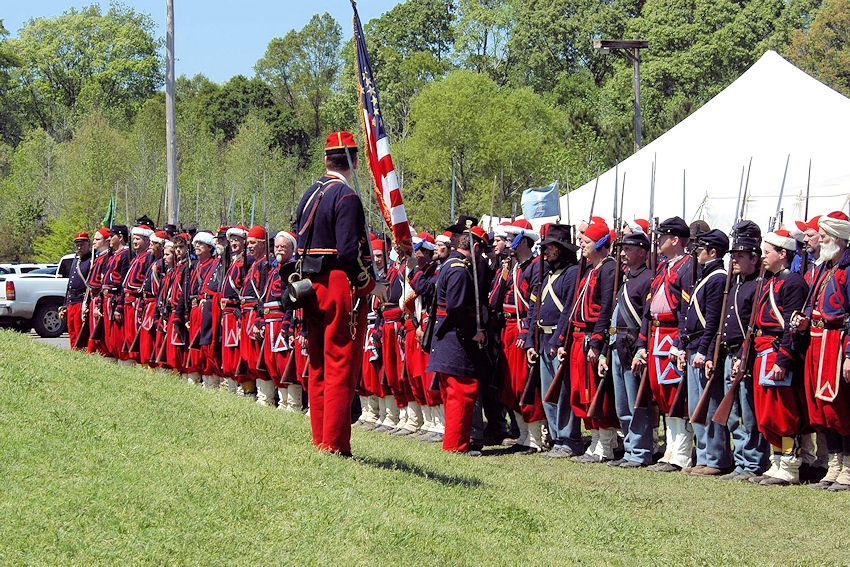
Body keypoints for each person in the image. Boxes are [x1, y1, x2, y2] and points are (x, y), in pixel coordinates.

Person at [294, 131, 381, 456]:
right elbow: (347, 253)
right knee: (341, 365)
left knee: (317, 365)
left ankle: (321, 438)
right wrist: (369, 284)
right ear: (354, 161)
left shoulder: (310, 193)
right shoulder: (345, 197)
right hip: (335, 285)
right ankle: (335, 443)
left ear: (326, 159)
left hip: (309, 287)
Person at [744, 229, 808, 485]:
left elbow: (791, 325)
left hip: (777, 352)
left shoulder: (793, 282)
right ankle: (777, 460)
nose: (763, 257)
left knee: (783, 413)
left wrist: (783, 359)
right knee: (767, 413)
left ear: (783, 254)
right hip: (763, 351)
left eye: (768, 252)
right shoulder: (769, 281)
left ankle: (790, 464)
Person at [632, 216, 695, 473]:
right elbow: (649, 309)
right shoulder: (663, 267)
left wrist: (679, 342)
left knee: (675, 396)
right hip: (657, 334)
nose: (657, 241)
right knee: (662, 395)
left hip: (671, 336)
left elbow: (686, 310)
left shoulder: (686, 267)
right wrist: (643, 344)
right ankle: (670, 448)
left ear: (675, 240)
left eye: (662, 237)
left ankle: (681, 452)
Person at [793, 214, 850, 490]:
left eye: (825, 234)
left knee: (842, 407)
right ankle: (834, 466)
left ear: (837, 237)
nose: (821, 237)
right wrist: (804, 320)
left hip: (837, 341)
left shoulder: (847, 269)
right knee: (824, 408)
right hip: (818, 340)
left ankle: (847, 469)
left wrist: (849, 354)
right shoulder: (827, 267)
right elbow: (813, 304)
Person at [558, 218, 618, 462]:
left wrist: (596, 342)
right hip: (577, 338)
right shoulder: (590, 268)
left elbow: (605, 308)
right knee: (581, 393)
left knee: (597, 394)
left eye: (588, 241)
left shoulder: (608, 268)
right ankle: (594, 441)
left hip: (591, 337)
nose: (582, 245)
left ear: (601, 243)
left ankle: (605, 445)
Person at [715, 221, 770, 481]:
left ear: (754, 257)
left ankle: (753, 462)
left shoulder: (758, 285)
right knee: (734, 412)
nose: (734, 261)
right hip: (729, 353)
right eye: (733, 256)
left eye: (739, 256)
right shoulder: (735, 283)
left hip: (745, 354)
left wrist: (742, 356)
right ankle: (740, 461)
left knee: (749, 412)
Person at [426, 225, 487, 455]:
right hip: (456, 340)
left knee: (455, 394)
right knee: (461, 393)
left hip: (449, 339)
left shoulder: (449, 266)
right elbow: (456, 308)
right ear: (476, 246)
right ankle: (456, 445)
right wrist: (473, 332)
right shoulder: (459, 270)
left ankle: (456, 443)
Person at [524, 224, 582, 458]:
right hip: (543, 338)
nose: (545, 252)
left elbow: (568, 309)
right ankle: (557, 437)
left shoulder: (572, 273)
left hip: (558, 340)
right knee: (549, 393)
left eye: (550, 247)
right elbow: (534, 309)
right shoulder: (546, 274)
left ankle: (569, 440)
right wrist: (530, 341)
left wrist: (559, 341)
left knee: (562, 393)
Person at [681, 229, 732, 476]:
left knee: (709, 407)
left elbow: (713, 320)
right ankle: (703, 456)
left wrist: (704, 351)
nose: (696, 253)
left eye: (700, 249)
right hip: (694, 346)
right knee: (696, 408)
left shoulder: (718, 278)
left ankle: (715, 458)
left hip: (703, 348)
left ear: (713, 252)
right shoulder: (707, 276)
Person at [600, 230, 654, 467]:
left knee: (637, 402)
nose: (622, 254)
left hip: (632, 345)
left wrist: (641, 348)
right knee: (622, 404)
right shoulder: (625, 279)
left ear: (642, 252)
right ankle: (630, 448)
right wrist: (603, 349)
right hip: (616, 344)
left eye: (629, 249)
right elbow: (612, 317)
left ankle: (640, 451)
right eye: (622, 249)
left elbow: (646, 318)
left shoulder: (647, 279)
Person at [220, 225, 249, 393]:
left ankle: (243, 387)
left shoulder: (245, 262)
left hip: (235, 312)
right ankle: (231, 384)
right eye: (231, 240)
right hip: (227, 313)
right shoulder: (233, 261)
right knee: (229, 353)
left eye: (237, 240)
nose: (233, 243)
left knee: (237, 352)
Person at [122, 222, 154, 365]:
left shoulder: (147, 257)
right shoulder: (136, 258)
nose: (134, 242)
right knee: (129, 335)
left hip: (136, 301)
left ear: (147, 241)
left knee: (136, 334)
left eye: (138, 239)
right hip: (128, 301)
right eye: (134, 239)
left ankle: (139, 362)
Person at [101, 225, 132, 361]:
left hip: (115, 298)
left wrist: (120, 305)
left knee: (117, 338)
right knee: (109, 338)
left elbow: (123, 282)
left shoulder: (125, 255)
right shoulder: (112, 255)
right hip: (106, 298)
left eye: (111, 236)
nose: (109, 239)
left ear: (120, 237)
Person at [138, 230, 168, 367]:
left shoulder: (162, 264)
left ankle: (154, 366)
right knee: (145, 340)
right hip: (148, 303)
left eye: (153, 244)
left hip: (154, 303)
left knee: (152, 338)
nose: (150, 246)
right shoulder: (154, 262)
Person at [61, 231, 92, 350]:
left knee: (80, 332)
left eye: (82, 244)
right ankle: (74, 353)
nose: (79, 247)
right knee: (72, 331)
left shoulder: (91, 260)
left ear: (88, 244)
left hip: (81, 300)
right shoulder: (76, 259)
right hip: (71, 301)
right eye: (77, 245)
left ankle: (81, 354)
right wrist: (65, 304)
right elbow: (70, 284)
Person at [86, 228, 112, 355]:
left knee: (100, 334)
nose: (94, 242)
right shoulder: (98, 257)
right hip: (93, 297)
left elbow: (102, 283)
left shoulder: (107, 258)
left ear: (106, 241)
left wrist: (99, 304)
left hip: (99, 298)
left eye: (98, 239)